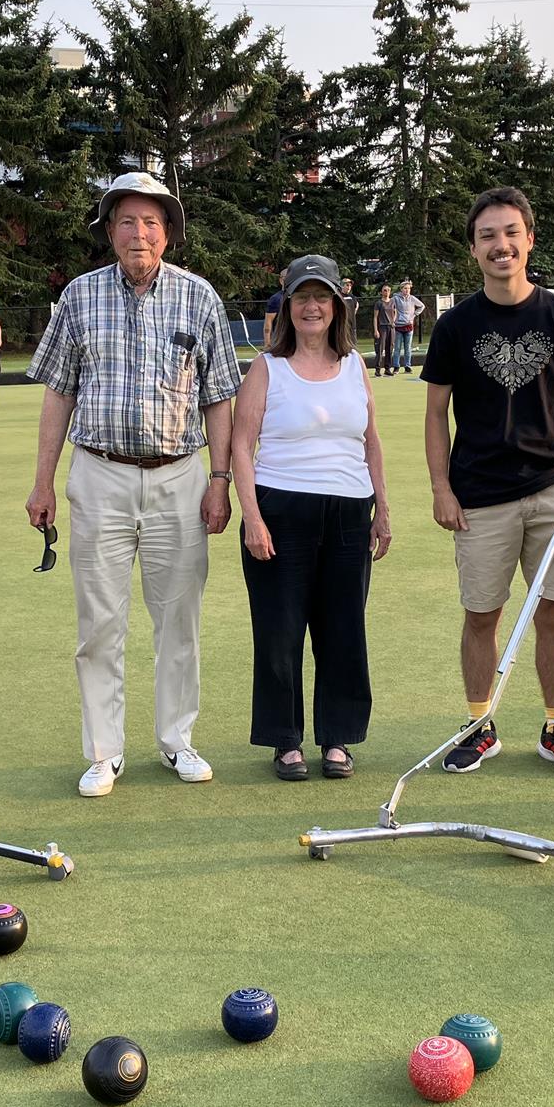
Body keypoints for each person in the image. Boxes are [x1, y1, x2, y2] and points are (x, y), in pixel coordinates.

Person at [25, 172, 242, 797]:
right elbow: (58, 391)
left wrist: (220, 480)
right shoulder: (78, 296)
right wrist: (42, 481)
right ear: (110, 230)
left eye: (151, 222)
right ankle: (103, 751)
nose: (139, 233)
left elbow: (219, 399)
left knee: (179, 620)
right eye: (127, 221)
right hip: (98, 474)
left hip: (180, 475)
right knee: (99, 623)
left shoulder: (199, 298)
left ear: (168, 232)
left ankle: (177, 740)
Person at [423, 186, 554, 793]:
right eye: (486, 236)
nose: (500, 246)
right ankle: (479, 725)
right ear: (474, 249)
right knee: (482, 615)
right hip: (479, 497)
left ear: (529, 238)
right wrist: (441, 489)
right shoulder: (455, 326)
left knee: (553, 613)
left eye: (510, 233)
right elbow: (435, 415)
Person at [231, 254, 390, 780]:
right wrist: (252, 518)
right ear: (288, 306)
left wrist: (382, 508)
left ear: (337, 306)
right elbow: (241, 446)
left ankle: (338, 738)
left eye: (322, 297)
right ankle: (285, 741)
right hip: (281, 511)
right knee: (279, 632)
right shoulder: (266, 368)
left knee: (344, 630)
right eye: (303, 297)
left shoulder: (356, 366)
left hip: (348, 512)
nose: (313, 307)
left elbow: (370, 441)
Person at [391, 280, 425, 374]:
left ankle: (407, 366)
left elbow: (422, 306)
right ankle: (396, 366)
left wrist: (414, 315)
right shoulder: (395, 298)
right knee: (397, 348)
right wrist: (393, 319)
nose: (407, 290)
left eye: (408, 288)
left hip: (409, 326)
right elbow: (390, 308)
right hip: (398, 326)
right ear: (401, 289)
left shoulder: (412, 298)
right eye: (405, 288)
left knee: (408, 347)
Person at [372, 283, 394, 374]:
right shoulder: (379, 303)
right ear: (381, 292)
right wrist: (376, 330)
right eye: (385, 290)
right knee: (380, 348)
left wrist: (393, 321)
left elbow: (395, 312)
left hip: (391, 327)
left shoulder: (393, 302)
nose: (387, 292)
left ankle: (387, 368)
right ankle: (377, 369)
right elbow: (375, 317)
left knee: (390, 348)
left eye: (388, 290)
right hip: (382, 327)